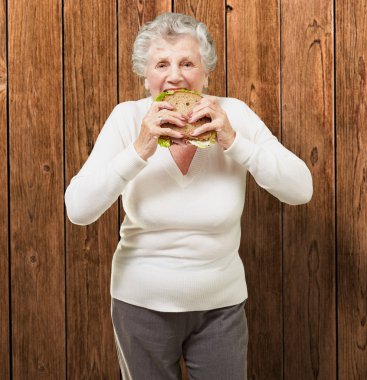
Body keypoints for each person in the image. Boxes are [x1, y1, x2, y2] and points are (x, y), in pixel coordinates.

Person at [65, 12, 313, 380]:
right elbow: (78, 210)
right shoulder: (126, 119)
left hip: (221, 308)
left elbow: (301, 190)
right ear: (145, 75)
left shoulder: (235, 115)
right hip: (140, 304)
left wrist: (233, 141)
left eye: (187, 63)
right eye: (161, 64)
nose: (175, 75)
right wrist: (140, 149)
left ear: (205, 73)